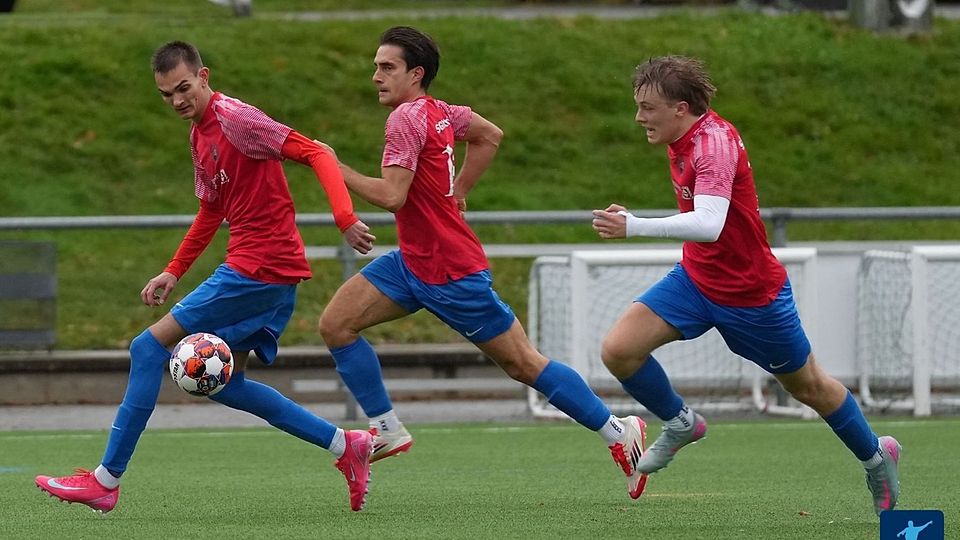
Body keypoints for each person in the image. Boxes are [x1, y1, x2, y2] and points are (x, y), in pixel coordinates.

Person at [35, 41, 377, 513]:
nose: (177, 100)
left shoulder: (237, 119)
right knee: (224, 382)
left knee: (146, 347)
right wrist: (173, 271)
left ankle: (105, 480)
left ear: (204, 77)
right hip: (266, 272)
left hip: (257, 269)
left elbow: (317, 153)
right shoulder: (199, 135)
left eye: (183, 88)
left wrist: (344, 218)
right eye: (166, 94)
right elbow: (211, 211)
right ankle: (345, 445)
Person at [315, 26, 650, 499]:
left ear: (416, 74)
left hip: (451, 271)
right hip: (414, 263)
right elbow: (490, 135)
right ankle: (386, 428)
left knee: (524, 365)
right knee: (336, 323)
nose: (375, 76)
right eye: (375, 66)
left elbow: (392, 195)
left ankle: (617, 430)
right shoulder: (441, 112)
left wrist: (334, 167)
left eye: (386, 67)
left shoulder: (406, 120)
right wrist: (461, 191)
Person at [590, 55, 901, 515]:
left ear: (680, 108)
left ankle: (877, 457)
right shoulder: (683, 136)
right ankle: (681, 423)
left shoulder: (713, 143)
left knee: (810, 387)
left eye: (647, 107)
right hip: (697, 280)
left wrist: (634, 227)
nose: (638, 117)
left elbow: (712, 223)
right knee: (619, 350)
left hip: (752, 295)